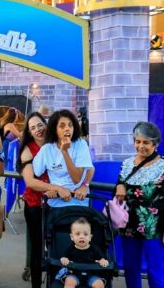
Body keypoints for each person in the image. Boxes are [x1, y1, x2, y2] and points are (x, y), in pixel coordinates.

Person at [114, 122, 164, 288]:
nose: (140, 146)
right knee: (130, 268)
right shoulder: (127, 163)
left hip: (155, 225)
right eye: (138, 141)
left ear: (155, 144)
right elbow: (120, 185)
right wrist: (119, 185)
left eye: (146, 142)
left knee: (155, 271)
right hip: (129, 224)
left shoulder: (162, 166)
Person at [18, 112, 61, 288]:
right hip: (36, 204)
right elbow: (30, 181)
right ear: (28, 131)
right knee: (37, 249)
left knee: (58, 246)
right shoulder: (28, 149)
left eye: (40, 125)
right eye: (32, 127)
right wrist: (54, 188)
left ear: (46, 124)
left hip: (58, 203)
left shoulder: (55, 144)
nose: (37, 130)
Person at [32, 110, 94, 208]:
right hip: (55, 202)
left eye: (70, 125)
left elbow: (77, 179)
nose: (67, 129)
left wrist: (64, 152)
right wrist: (50, 188)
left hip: (78, 201)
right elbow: (36, 172)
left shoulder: (80, 144)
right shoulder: (47, 149)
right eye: (62, 126)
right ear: (54, 129)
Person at [57, 218, 108, 288]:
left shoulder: (95, 249)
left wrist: (103, 261)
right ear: (72, 237)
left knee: (100, 284)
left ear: (90, 237)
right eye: (78, 234)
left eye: (85, 234)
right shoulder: (70, 249)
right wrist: (64, 259)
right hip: (74, 274)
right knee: (69, 282)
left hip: (91, 275)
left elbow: (101, 258)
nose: (81, 237)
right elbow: (64, 257)